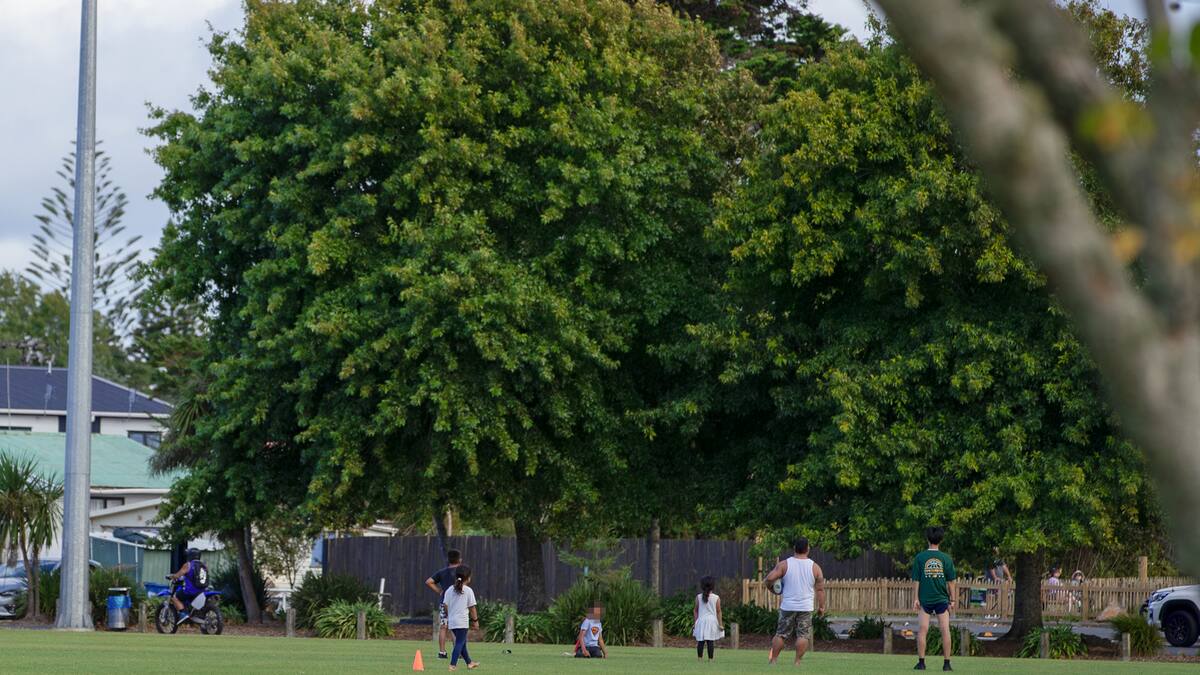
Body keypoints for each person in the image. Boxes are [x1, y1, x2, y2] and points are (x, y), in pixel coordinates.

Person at [764, 537, 825, 665]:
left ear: (794, 549)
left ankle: (774, 660)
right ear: (808, 549)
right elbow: (820, 590)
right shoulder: (815, 567)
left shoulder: (784, 564)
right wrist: (821, 607)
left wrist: (772, 589)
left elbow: (769, 579)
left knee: (781, 634)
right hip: (806, 608)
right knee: (803, 635)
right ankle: (797, 661)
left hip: (787, 606)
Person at [912, 526, 956, 672]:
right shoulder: (946, 558)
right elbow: (951, 582)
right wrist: (953, 600)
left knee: (922, 629)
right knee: (945, 630)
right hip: (942, 599)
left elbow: (916, 580)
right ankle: (947, 664)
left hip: (925, 599)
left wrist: (916, 598)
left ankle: (921, 663)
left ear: (927, 539)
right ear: (941, 540)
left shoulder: (920, 557)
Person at [426, 549, 464, 659]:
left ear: (448, 560)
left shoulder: (442, 572)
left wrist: (439, 591)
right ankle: (459, 652)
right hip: (457, 603)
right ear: (460, 560)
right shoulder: (461, 572)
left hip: (444, 603)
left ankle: (442, 652)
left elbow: (429, 581)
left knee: (443, 627)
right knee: (455, 627)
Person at [441, 565, 479, 671]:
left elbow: (445, 605)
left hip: (452, 621)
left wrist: (450, 615)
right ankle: (452, 665)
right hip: (462, 622)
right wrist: (475, 621)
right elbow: (472, 608)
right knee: (459, 643)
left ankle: (469, 663)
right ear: (468, 578)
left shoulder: (449, 590)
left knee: (462, 643)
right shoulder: (468, 591)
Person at [166, 548, 208, 622]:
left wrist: (171, 576)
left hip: (191, 591)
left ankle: (183, 614)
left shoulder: (188, 565)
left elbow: (177, 575)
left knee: (174, 596)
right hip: (202, 590)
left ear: (190, 556)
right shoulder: (204, 565)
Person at [692, 576, 724, 661]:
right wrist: (720, 624)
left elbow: (695, 610)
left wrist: (695, 622)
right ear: (713, 586)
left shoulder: (698, 597)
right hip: (712, 621)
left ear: (702, 586)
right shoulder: (716, 598)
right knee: (710, 641)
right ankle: (711, 659)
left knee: (701, 641)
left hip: (701, 621)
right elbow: (718, 611)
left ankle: (700, 658)